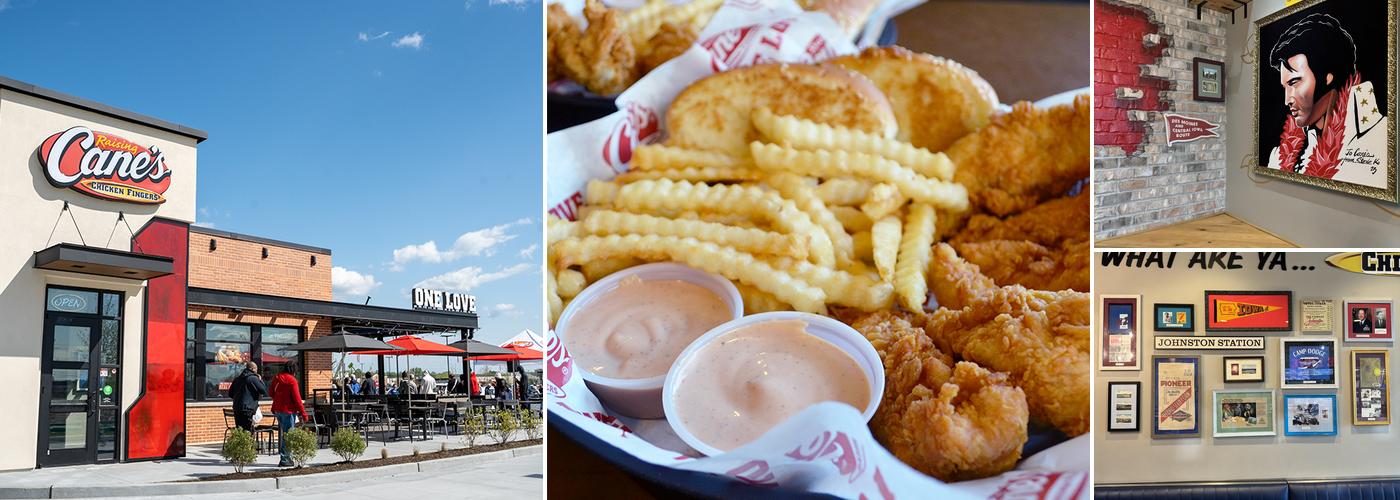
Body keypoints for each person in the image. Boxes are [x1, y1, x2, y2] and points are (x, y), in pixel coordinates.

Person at [1265, 13, 1389, 184]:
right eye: (1285, 87)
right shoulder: (1280, 156)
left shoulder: (1382, 139)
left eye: (1295, 82)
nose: (1287, 100)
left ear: (1327, 77)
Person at [270, 361, 309, 467]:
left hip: (278, 410)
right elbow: (297, 399)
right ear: (294, 370)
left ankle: (285, 457)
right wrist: (304, 414)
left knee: (285, 434)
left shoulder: (277, 377)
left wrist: (278, 399)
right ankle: (285, 459)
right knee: (289, 435)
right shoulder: (292, 381)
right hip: (289, 411)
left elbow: (270, 392)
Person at [228, 361, 268, 433]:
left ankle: (240, 444)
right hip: (248, 409)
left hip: (237, 408)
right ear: (252, 369)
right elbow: (263, 390)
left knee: (240, 431)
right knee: (248, 431)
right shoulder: (253, 378)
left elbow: (230, 394)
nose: (256, 371)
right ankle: (248, 444)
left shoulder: (237, 379)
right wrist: (260, 380)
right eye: (256, 369)